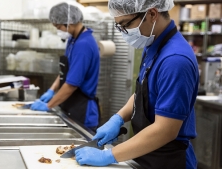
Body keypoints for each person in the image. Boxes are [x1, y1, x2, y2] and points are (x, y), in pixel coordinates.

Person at [74, 0, 199, 169]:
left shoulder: (175, 60)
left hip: (168, 160)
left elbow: (165, 130)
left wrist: (109, 155)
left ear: (152, 14)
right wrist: (118, 119)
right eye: (119, 27)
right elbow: (145, 93)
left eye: (126, 24)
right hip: (147, 153)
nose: (124, 32)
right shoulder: (153, 45)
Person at [30, 2, 100, 130]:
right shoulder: (73, 40)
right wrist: (51, 90)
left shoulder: (83, 45)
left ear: (70, 23)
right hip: (70, 104)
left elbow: (72, 84)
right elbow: (66, 71)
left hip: (83, 110)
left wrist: (49, 106)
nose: (58, 31)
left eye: (58, 27)